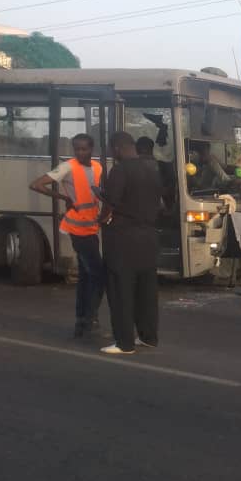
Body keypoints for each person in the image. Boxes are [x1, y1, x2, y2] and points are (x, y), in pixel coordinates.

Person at [28, 133, 105, 338]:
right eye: (76, 149)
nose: (80, 152)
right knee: (99, 275)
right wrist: (64, 197)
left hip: (92, 228)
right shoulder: (67, 167)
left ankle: (81, 321)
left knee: (86, 276)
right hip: (78, 230)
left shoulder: (98, 168)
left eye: (84, 149)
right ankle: (90, 318)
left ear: (92, 149)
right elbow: (36, 184)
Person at [98, 132, 162, 355]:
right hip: (149, 238)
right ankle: (149, 337)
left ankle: (124, 343)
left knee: (121, 291)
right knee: (146, 291)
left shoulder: (120, 170)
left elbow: (111, 204)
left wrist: (101, 218)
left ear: (116, 148)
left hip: (124, 240)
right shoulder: (152, 169)